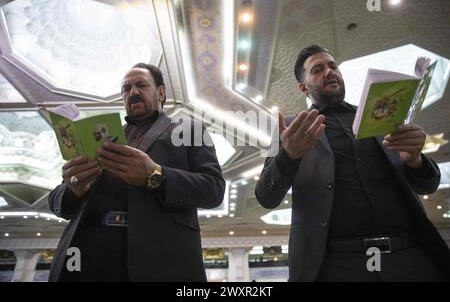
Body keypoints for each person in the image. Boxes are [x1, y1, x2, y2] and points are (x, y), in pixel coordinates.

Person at [255, 45, 450, 281]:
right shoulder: (292, 128)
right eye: (318, 69)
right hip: (339, 266)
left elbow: (428, 185)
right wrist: (289, 156)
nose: (329, 71)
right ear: (304, 87)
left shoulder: (382, 115)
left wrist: (415, 159)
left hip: (409, 258)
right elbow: (266, 195)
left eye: (333, 66)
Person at [48, 63, 225, 281]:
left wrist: (155, 174)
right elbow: (56, 202)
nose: (132, 92)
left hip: (158, 256)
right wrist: (73, 188)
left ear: (161, 93)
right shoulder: (101, 138)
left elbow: (214, 189)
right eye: (126, 88)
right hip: (88, 252)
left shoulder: (190, 130)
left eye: (141, 84)